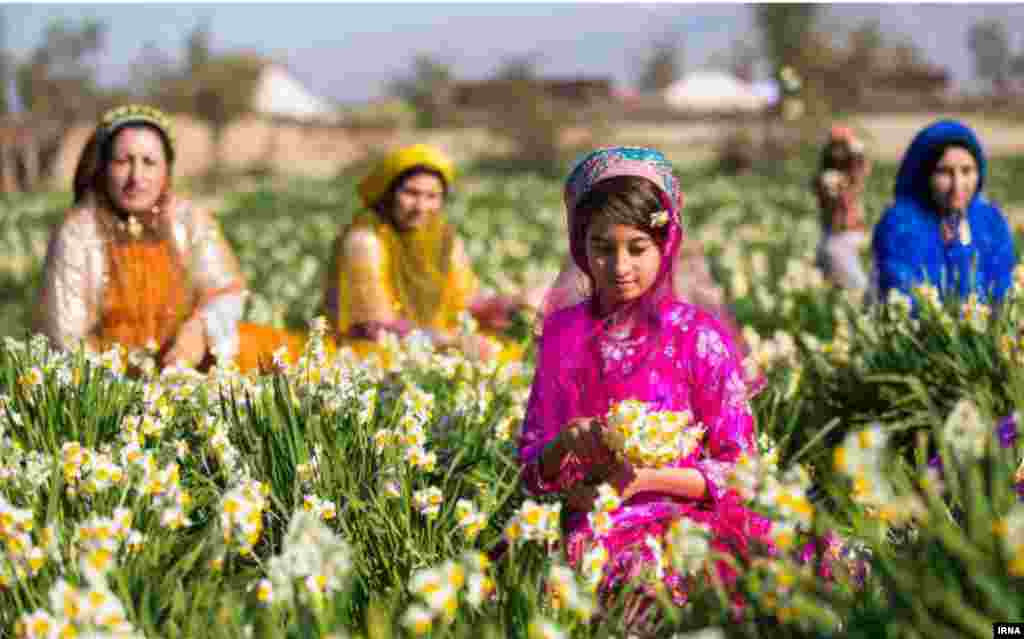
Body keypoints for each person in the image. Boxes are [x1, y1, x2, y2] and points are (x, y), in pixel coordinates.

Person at [517, 147, 772, 628]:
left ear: (665, 245)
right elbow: (531, 471)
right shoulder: (564, 337)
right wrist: (565, 447)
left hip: (690, 523)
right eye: (601, 247)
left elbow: (739, 468)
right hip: (595, 529)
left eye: (637, 247)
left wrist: (647, 481)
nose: (619, 266)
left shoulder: (698, 338)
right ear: (580, 248)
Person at [38, 104, 303, 373]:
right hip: (108, 384)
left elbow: (226, 291)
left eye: (149, 162)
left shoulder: (189, 219)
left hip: (187, 369)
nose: (136, 177)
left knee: (275, 355)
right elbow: (65, 339)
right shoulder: (77, 233)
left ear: (166, 170)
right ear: (102, 167)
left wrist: (200, 330)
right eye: (122, 162)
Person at [322, 144, 526, 361]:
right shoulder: (365, 240)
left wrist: (514, 304)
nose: (421, 206)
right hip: (371, 353)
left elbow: (465, 302)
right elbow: (373, 325)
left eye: (432, 196)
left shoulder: (444, 239)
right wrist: (447, 342)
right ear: (388, 193)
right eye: (411, 193)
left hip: (433, 343)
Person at [872, 120, 1017, 307]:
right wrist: (955, 249)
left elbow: (1003, 293)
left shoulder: (989, 221)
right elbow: (906, 300)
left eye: (967, 171)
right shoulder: (900, 225)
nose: (958, 185)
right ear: (924, 174)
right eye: (944, 172)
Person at [814, 125, 871, 292]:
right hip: (837, 238)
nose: (839, 152)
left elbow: (862, 167)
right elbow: (840, 196)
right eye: (835, 147)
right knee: (857, 290)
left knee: (843, 288)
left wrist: (854, 146)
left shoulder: (853, 174)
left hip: (850, 236)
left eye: (842, 147)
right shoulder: (827, 178)